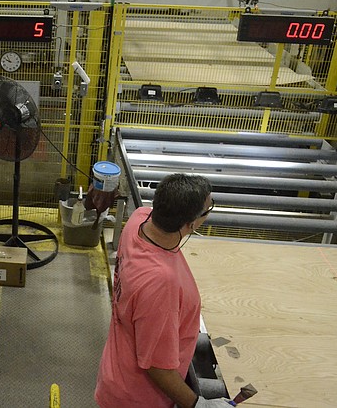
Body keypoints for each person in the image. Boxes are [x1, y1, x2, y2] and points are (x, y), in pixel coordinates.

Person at [95, 173, 233, 408]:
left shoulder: (139, 221)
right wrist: (197, 404)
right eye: (207, 210)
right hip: (138, 398)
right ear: (190, 224)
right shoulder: (161, 283)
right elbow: (156, 366)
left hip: (116, 373)